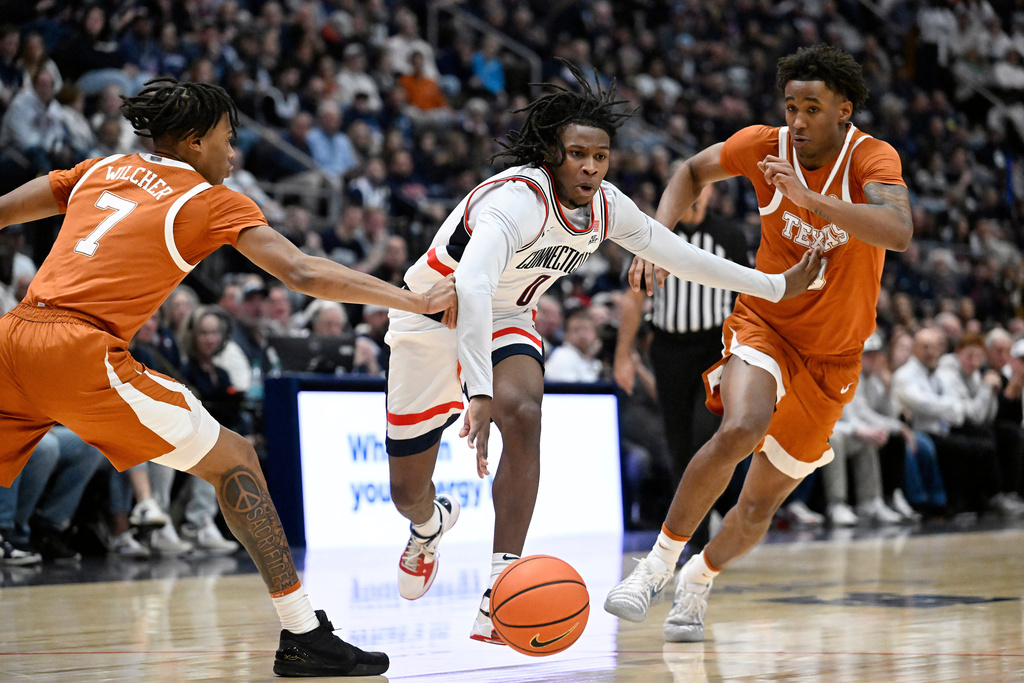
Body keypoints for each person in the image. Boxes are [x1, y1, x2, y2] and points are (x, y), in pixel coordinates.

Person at [0, 77, 455, 677]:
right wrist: (414, 301)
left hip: (13, 334)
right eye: (227, 139)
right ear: (192, 142)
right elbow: (300, 270)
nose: (233, 153)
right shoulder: (210, 200)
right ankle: (303, 635)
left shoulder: (101, 168)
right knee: (236, 460)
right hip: (78, 350)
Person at [383, 61, 821, 645]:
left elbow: (677, 253)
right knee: (406, 490)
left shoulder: (607, 207)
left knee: (527, 412)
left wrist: (773, 284)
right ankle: (429, 525)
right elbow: (472, 288)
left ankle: (500, 583)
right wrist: (478, 391)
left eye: (601, 155)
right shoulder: (515, 203)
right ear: (550, 153)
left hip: (508, 318)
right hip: (431, 320)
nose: (591, 166)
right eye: (578, 154)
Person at [603, 44, 913, 642]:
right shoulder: (763, 145)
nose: (797, 121)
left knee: (755, 511)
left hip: (834, 358)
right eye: (791, 106)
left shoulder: (873, 158)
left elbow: (898, 231)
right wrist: (657, 244)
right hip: (766, 324)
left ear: (844, 109)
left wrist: (813, 201)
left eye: (813, 108)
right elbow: (689, 171)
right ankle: (654, 568)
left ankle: (701, 575)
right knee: (740, 428)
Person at [613, 182, 752, 549]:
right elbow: (633, 300)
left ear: (710, 194)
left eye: (702, 188)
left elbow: (746, 298)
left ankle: (698, 529)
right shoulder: (655, 235)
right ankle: (692, 537)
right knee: (677, 445)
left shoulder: (729, 235)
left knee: (704, 437)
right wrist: (623, 356)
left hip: (715, 350)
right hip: (668, 350)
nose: (695, 195)